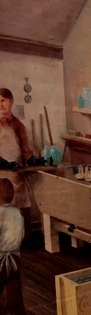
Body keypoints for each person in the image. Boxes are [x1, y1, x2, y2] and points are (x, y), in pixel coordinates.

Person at [0, 178, 33, 315]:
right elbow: (20, 236)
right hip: (14, 260)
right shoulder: (17, 212)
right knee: (15, 301)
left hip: (0, 262)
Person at [0, 88, 33, 239]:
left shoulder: (18, 124)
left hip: (17, 174)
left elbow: (25, 149)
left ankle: (24, 239)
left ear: (11, 100)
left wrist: (31, 160)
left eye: (2, 100)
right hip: (1, 175)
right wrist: (5, 164)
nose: (0, 105)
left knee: (23, 206)